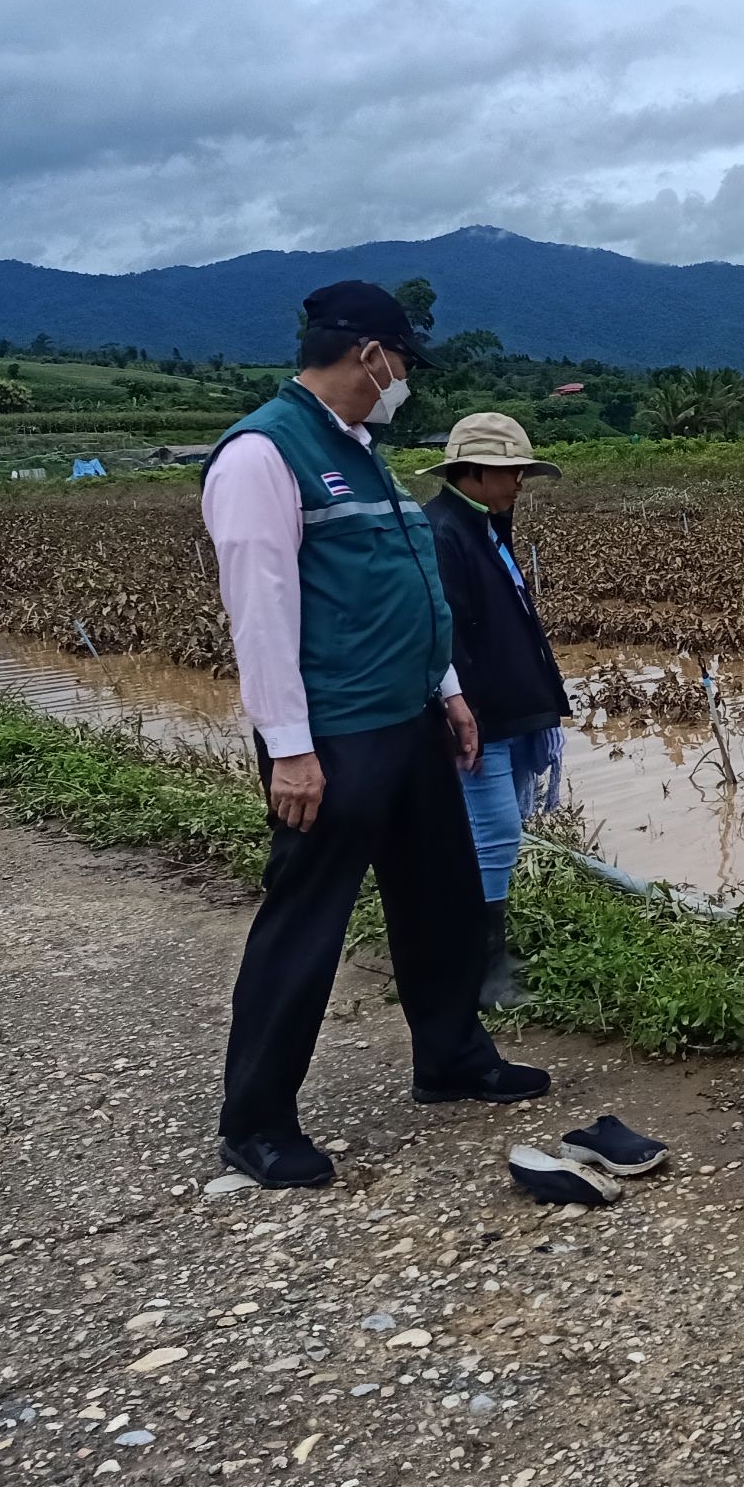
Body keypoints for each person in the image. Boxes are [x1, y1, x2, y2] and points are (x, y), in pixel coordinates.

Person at [200, 281, 549, 1190]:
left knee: (442, 897)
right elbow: (260, 613)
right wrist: (290, 748)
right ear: (368, 355)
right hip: (335, 734)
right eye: (402, 362)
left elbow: (406, 586)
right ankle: (257, 1121)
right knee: (306, 920)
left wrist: (450, 690)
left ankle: (452, 1056)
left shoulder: (361, 452)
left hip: (411, 718)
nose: (405, 380)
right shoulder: (262, 455)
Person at [417, 411, 573, 1009]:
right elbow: (444, 634)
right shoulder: (443, 533)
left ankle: (481, 952)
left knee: (493, 832)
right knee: (494, 833)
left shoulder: (482, 525)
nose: (520, 483)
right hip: (478, 717)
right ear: (475, 472)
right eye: (512, 472)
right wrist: (463, 710)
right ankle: (484, 971)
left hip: (502, 709)